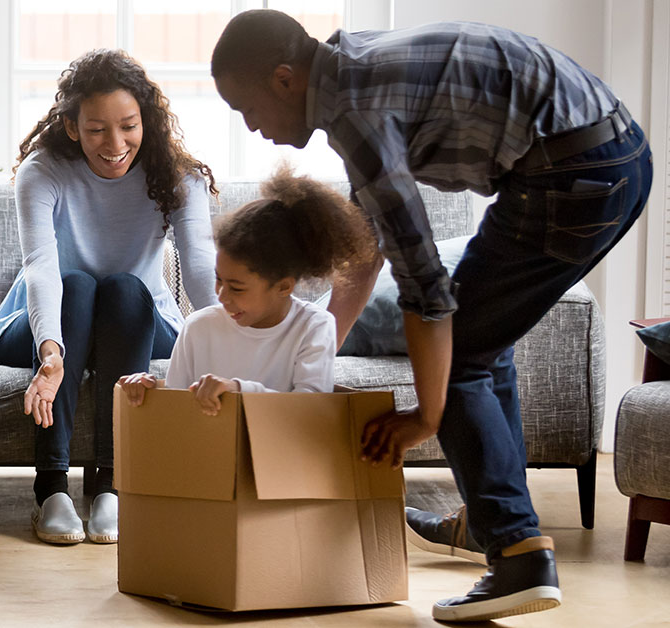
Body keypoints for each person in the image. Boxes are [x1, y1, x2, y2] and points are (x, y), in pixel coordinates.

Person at [211, 10, 652, 622]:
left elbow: (426, 288)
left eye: (246, 108)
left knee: (464, 343)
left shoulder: (353, 113)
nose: (251, 126)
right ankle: (496, 521)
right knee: (482, 338)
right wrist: (309, 357)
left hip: (576, 171)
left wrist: (426, 415)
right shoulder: (348, 66)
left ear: (285, 79)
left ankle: (519, 554)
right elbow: (367, 249)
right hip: (604, 155)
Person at [0, 49, 219, 545]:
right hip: (41, 322)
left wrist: (229, 340)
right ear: (71, 126)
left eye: (128, 126)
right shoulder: (42, 171)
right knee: (78, 285)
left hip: (136, 321)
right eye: (96, 130)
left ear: (146, 121)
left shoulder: (179, 176)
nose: (115, 144)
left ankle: (111, 486)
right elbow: (42, 269)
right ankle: (52, 490)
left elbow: (200, 266)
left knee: (125, 289)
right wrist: (49, 352)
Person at [119, 168, 376, 410]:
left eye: (237, 288)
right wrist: (151, 389)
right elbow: (179, 402)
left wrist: (238, 390)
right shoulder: (198, 327)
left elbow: (310, 408)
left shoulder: (315, 327)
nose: (221, 295)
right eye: (219, 280)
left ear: (284, 286)